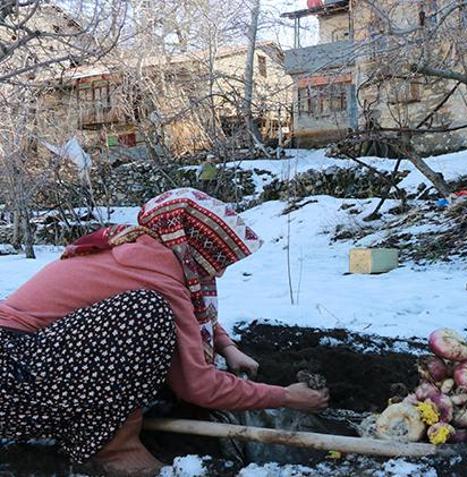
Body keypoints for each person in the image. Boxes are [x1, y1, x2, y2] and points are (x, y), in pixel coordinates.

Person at [0, 188, 329, 475]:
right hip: (14, 381)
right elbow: (198, 387)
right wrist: (286, 396)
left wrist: (226, 346)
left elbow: (192, 309)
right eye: (218, 257)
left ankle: (92, 428)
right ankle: (112, 448)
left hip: (20, 365)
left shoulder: (139, 248)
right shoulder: (160, 276)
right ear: (196, 247)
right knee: (147, 313)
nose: (222, 270)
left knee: (154, 332)